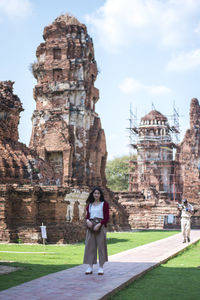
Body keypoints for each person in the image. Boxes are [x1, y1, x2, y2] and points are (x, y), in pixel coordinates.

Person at [83, 187, 109, 275]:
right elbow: (87, 216)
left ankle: (101, 267)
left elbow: (106, 217)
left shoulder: (104, 204)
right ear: (92, 194)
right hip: (91, 225)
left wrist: (99, 224)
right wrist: (87, 221)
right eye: (95, 193)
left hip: (100, 225)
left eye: (98, 193)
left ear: (100, 195)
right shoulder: (90, 205)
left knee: (101, 246)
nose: (96, 195)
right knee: (90, 246)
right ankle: (90, 267)